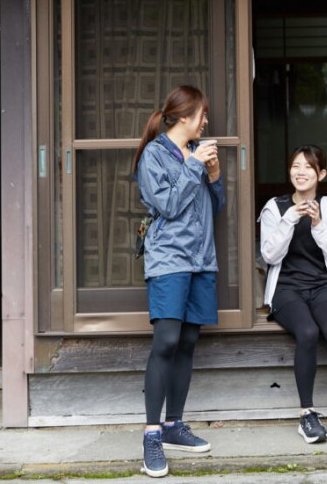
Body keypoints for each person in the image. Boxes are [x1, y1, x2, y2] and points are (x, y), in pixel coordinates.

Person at [133, 85, 226, 479]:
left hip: (202, 259)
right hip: (169, 260)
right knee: (167, 341)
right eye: (202, 114)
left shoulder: (198, 153)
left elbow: (215, 207)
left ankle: (174, 424)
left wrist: (215, 176)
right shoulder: (154, 156)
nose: (206, 121)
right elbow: (168, 206)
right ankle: (151, 434)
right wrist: (193, 167)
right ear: (185, 116)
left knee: (188, 342)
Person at [259, 145, 327, 444]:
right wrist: (290, 219)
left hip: (323, 285)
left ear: (321, 174)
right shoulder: (274, 208)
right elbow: (269, 255)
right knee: (307, 332)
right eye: (295, 166)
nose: (300, 172)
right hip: (287, 288)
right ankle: (307, 414)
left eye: (308, 167)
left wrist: (317, 224)